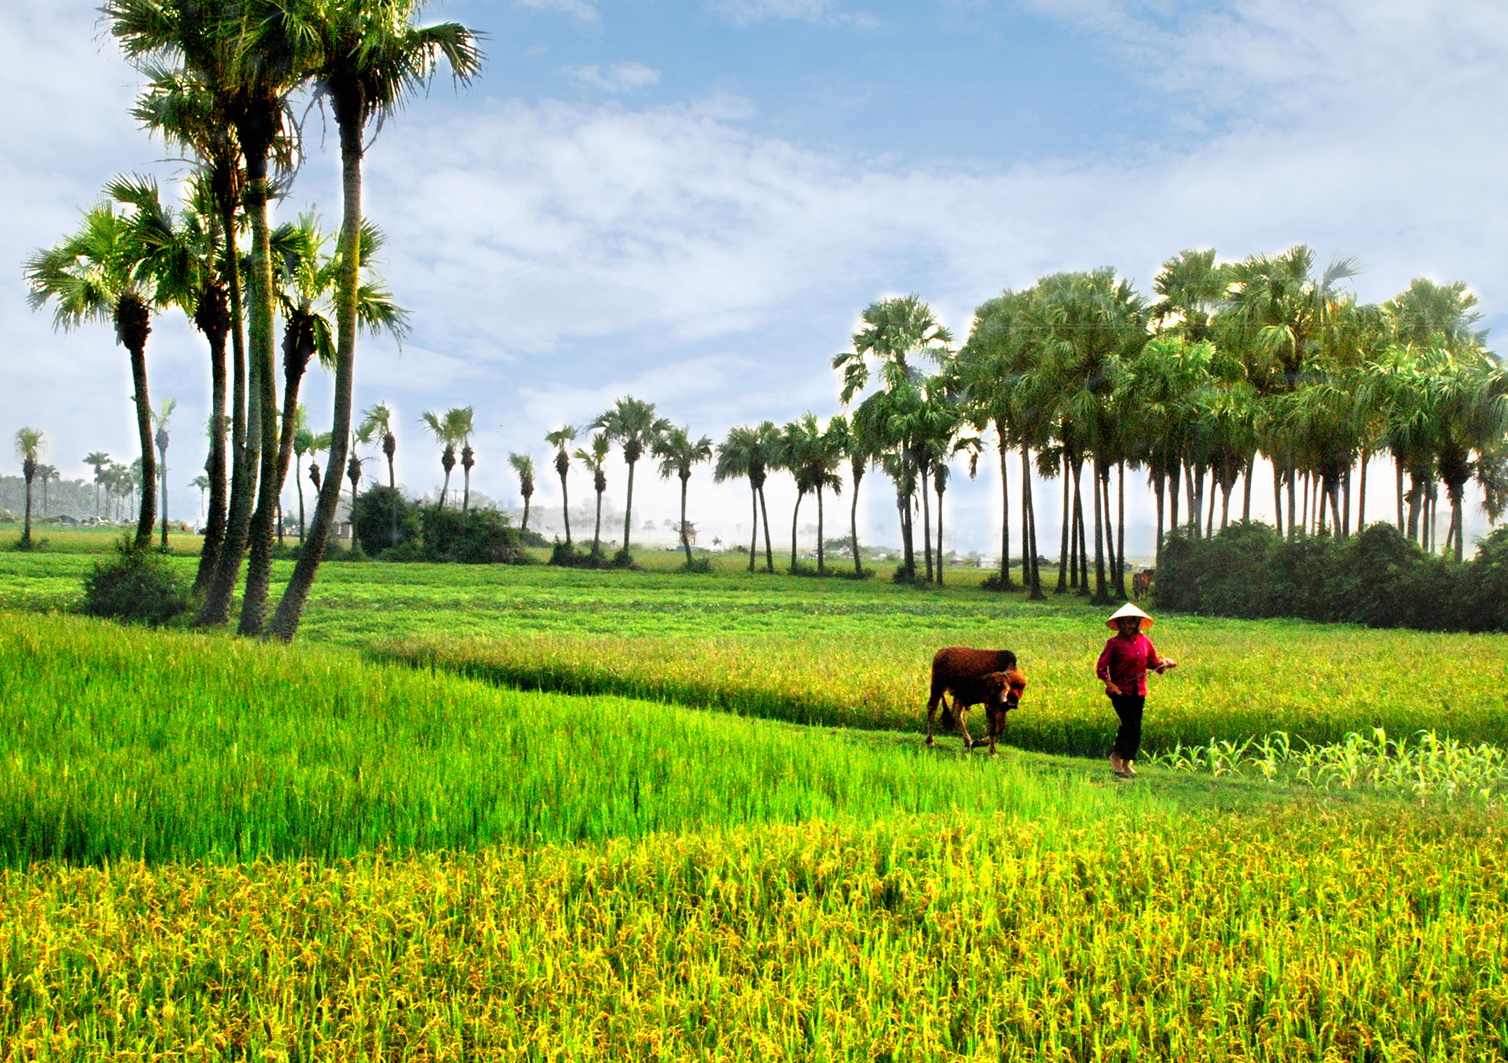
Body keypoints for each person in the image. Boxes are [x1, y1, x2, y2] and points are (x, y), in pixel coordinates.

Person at [1096, 601, 1176, 778]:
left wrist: (1166, 663)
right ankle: (1115, 757)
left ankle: (1126, 762)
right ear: (1118, 625)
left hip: (1138, 690)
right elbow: (1102, 667)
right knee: (1129, 724)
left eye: (1130, 622)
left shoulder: (1144, 641)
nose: (1127, 625)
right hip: (1120, 691)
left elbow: (1153, 662)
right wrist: (1110, 684)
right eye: (1123, 622)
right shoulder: (1113, 643)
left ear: (1137, 623)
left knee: (1136, 727)